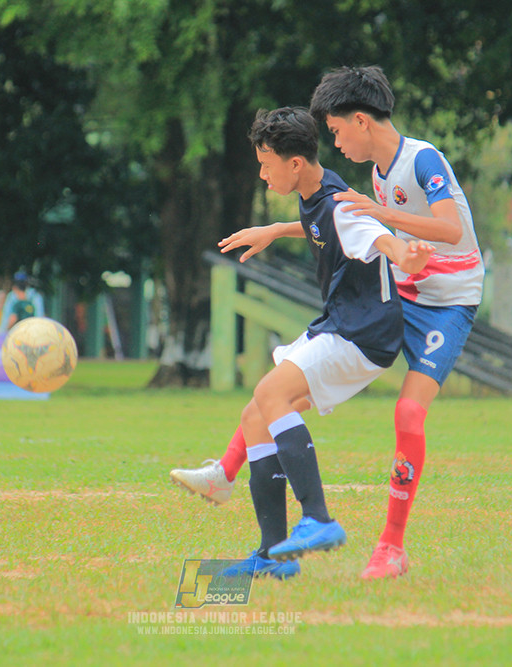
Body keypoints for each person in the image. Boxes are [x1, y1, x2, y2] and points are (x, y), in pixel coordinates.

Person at [172, 67, 483, 581]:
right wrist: (278, 228)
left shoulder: (420, 161)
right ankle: (266, 540)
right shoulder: (369, 180)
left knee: (404, 413)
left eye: (337, 130)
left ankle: (385, 544)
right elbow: (338, 219)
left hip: (444, 301)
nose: (333, 141)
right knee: (264, 407)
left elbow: (438, 229)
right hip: (395, 293)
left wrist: (390, 232)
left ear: (361, 121)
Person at [212, 107, 433, 581]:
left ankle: (319, 519)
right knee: (256, 416)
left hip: (363, 333)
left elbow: (376, 237)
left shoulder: (339, 205)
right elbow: (321, 225)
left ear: (294, 164)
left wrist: (406, 254)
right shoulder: (316, 193)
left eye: (266, 164)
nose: (262, 174)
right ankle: (273, 555)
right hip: (343, 324)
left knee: (270, 394)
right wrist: (275, 230)